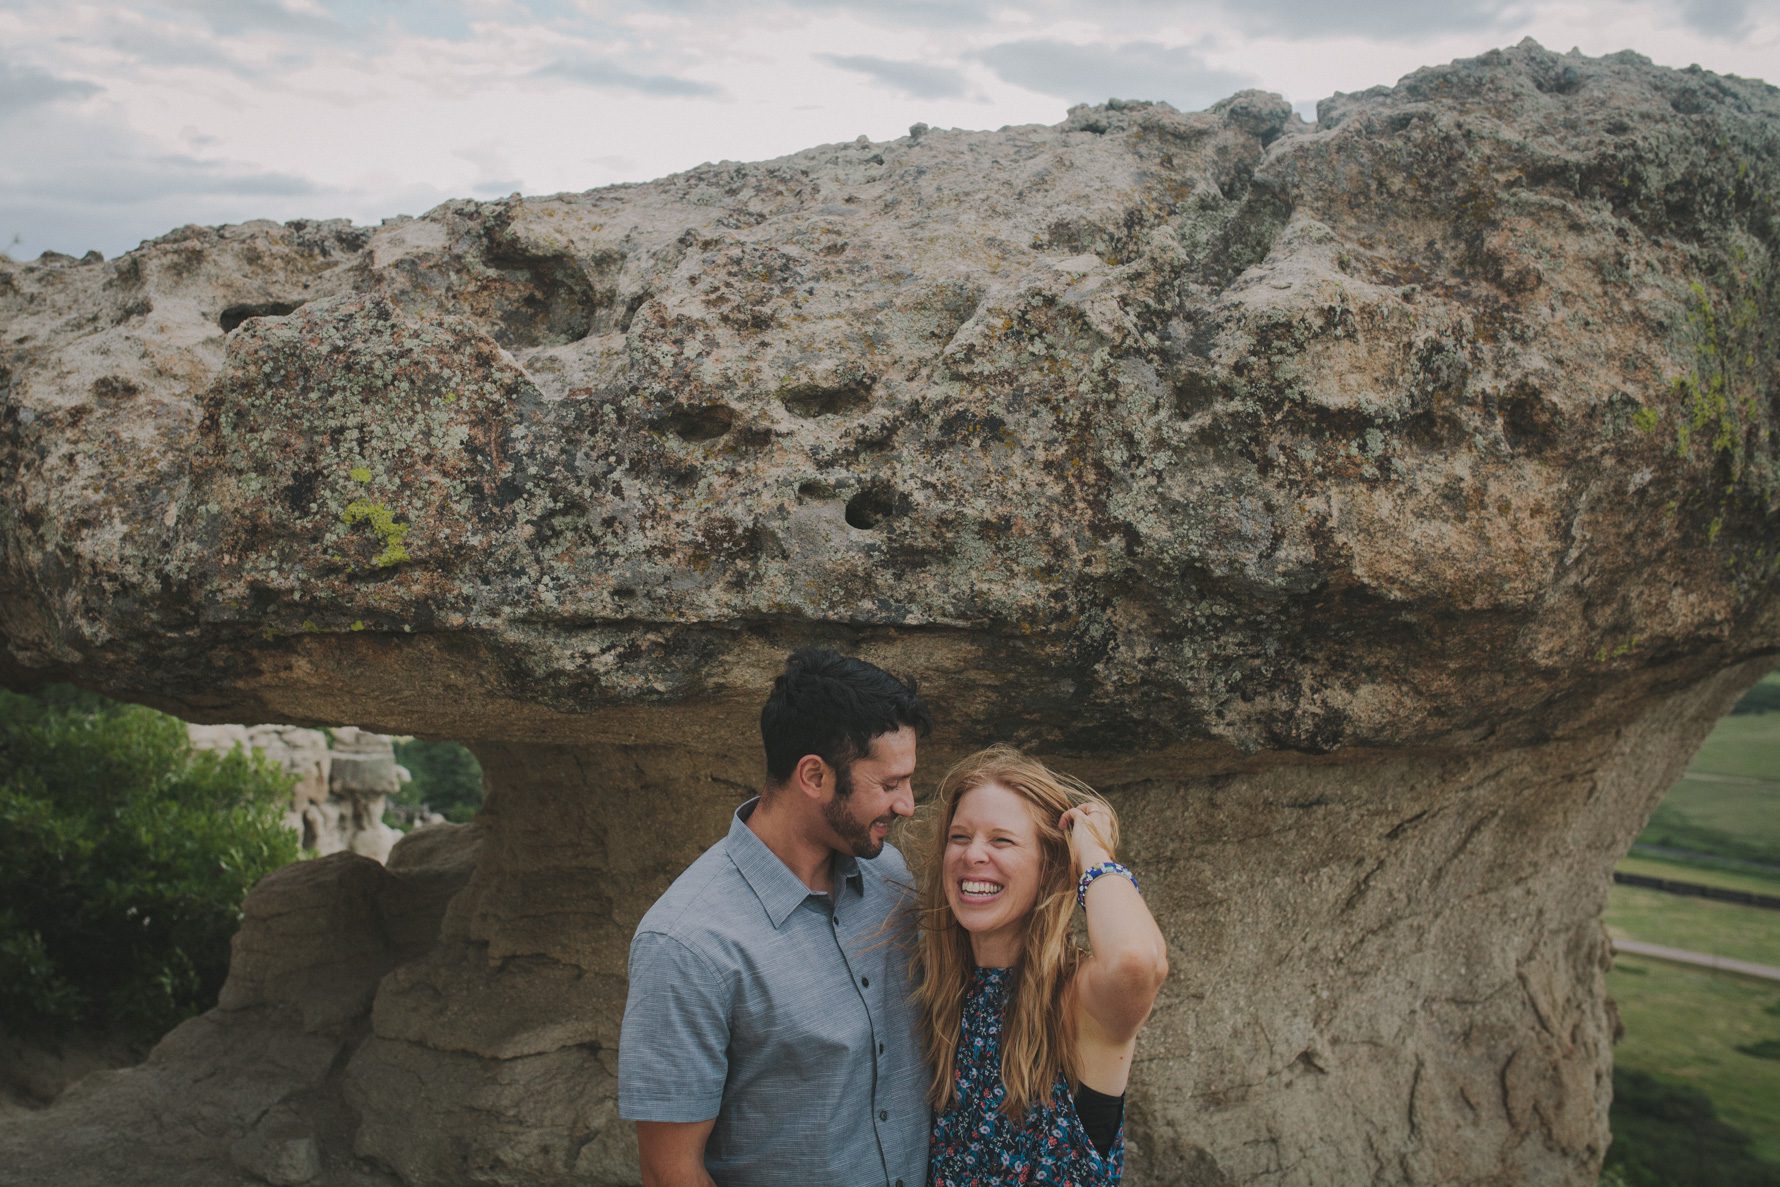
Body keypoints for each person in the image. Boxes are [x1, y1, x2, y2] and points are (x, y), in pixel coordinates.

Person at [618, 647, 934, 1187]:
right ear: (814, 775)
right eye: (889, 784)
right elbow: (669, 1171)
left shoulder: (892, 879)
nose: (906, 804)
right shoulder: (687, 944)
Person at [912, 745, 1168, 1187]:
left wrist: (1091, 848)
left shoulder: (1077, 998)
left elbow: (1136, 961)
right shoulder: (938, 991)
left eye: (1002, 840)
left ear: (1049, 865)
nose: (973, 854)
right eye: (960, 836)